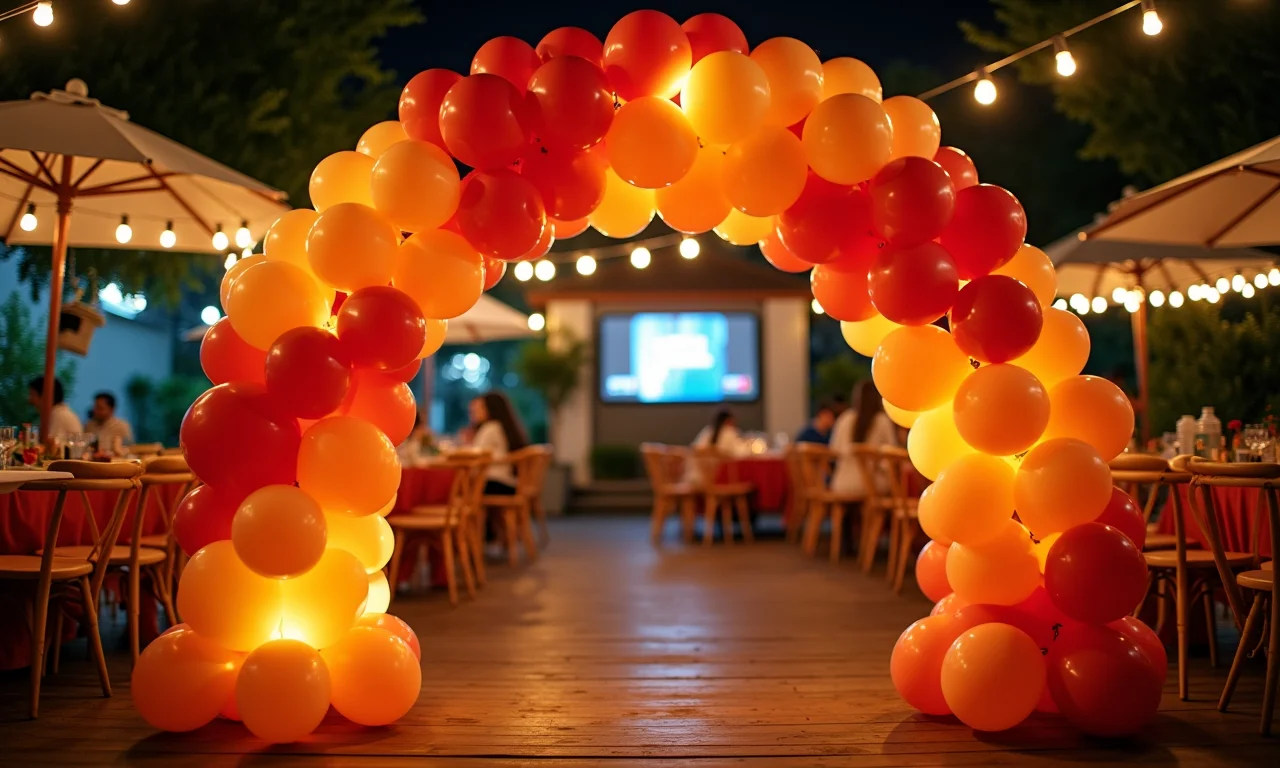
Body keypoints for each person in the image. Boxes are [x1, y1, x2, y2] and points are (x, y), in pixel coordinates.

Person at [828, 380, 897, 495]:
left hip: (841, 483)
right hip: (870, 484)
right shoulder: (882, 420)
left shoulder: (845, 418)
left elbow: (834, 452)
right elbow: (891, 456)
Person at [469, 391, 529, 495]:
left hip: (495, 483)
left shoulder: (490, 428)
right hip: (510, 482)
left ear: (491, 408)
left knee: (457, 485)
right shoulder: (503, 427)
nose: (475, 412)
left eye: (481, 407)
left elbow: (477, 456)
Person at [27, 376, 82, 442]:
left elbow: (49, 445)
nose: (29, 400)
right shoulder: (60, 413)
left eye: (32, 394)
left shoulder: (59, 415)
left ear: (45, 396)